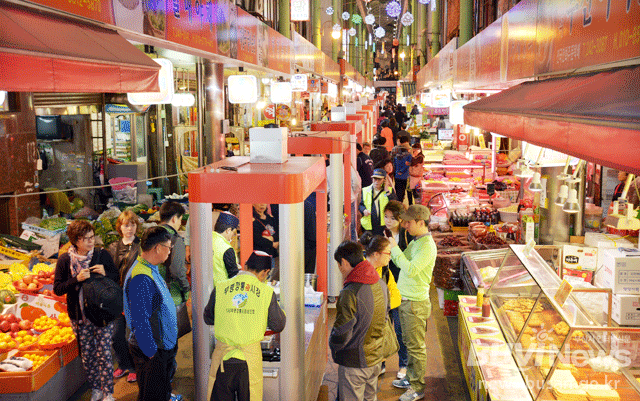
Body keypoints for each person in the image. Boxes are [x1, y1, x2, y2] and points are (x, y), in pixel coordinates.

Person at [203, 251, 286, 401]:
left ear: (246, 266)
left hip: (223, 358)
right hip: (249, 360)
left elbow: (208, 318)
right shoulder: (266, 292)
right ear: (265, 272)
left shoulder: (221, 287)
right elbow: (278, 324)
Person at [54, 219, 119, 401]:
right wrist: (76, 279)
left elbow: (116, 278)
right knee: (88, 356)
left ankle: (108, 393)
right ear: (76, 240)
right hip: (79, 316)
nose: (91, 241)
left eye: (92, 237)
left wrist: (106, 273)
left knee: (105, 354)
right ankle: (96, 388)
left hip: (101, 314)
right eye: (86, 238)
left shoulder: (102, 255)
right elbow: (58, 288)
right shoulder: (65, 260)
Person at [123, 226, 181, 401]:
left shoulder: (149, 268)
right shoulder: (141, 278)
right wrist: (151, 354)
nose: (170, 252)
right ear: (158, 248)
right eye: (169, 248)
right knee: (152, 396)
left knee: (160, 392)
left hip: (160, 346)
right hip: (152, 350)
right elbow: (141, 320)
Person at [387, 205, 437, 401]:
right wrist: (394, 247)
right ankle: (410, 378)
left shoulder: (426, 246)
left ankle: (417, 387)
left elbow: (410, 269)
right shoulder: (416, 242)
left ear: (421, 222)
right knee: (408, 343)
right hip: (406, 300)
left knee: (416, 347)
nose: (405, 225)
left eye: (409, 222)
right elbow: (401, 260)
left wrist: (394, 249)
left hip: (415, 304)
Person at [330, 240, 391, 401]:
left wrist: (333, 346)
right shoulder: (380, 283)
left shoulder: (350, 292)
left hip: (354, 362)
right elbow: (386, 317)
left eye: (339, 264)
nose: (339, 269)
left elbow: (342, 331)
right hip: (375, 358)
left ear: (344, 262)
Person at [359, 234, 402, 377]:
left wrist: (384, 306)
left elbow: (396, 295)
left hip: (379, 324)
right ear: (376, 254)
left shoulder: (385, 271)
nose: (390, 256)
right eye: (388, 253)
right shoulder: (359, 271)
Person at [382, 201, 412, 380]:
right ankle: (381, 363)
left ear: (401, 219)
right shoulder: (381, 233)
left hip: (399, 287)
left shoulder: (406, 236)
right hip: (383, 286)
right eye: (386, 217)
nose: (388, 221)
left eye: (392, 218)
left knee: (400, 329)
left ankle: (404, 364)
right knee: (383, 328)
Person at [111, 210, 140, 384]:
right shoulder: (114, 247)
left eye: (132, 224)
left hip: (134, 296)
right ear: (120, 227)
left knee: (134, 334)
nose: (129, 228)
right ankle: (123, 364)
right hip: (116, 296)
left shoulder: (141, 246)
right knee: (116, 334)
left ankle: (135, 368)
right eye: (126, 225)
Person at [159, 201, 191, 306]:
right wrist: (186, 288)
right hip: (171, 295)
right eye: (180, 220)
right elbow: (177, 270)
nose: (179, 224)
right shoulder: (175, 240)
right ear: (174, 219)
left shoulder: (150, 235)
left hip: (152, 291)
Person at [360, 168, 396, 236]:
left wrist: (387, 191)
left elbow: (394, 204)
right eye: (374, 179)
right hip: (369, 224)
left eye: (379, 179)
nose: (376, 181)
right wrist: (364, 210)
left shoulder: (389, 191)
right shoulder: (365, 190)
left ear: (384, 180)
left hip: (383, 224)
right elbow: (361, 205)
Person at [212, 211, 240, 284]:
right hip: (221, 290)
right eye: (233, 234)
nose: (232, 237)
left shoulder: (205, 240)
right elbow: (233, 275)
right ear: (228, 230)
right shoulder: (226, 248)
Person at [252, 204, 279, 277]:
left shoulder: (271, 218)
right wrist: (272, 244)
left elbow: (278, 233)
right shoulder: (252, 220)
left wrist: (272, 238)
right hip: (259, 254)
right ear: (253, 204)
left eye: (264, 202)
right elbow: (256, 238)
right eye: (259, 202)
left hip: (270, 253)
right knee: (260, 277)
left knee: (269, 276)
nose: (262, 205)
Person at [393, 137, 412, 204]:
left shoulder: (396, 155)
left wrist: (397, 172)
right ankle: (410, 205)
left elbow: (394, 165)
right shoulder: (409, 155)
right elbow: (408, 165)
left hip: (397, 176)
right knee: (408, 191)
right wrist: (402, 171)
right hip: (405, 176)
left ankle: (399, 204)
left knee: (398, 192)